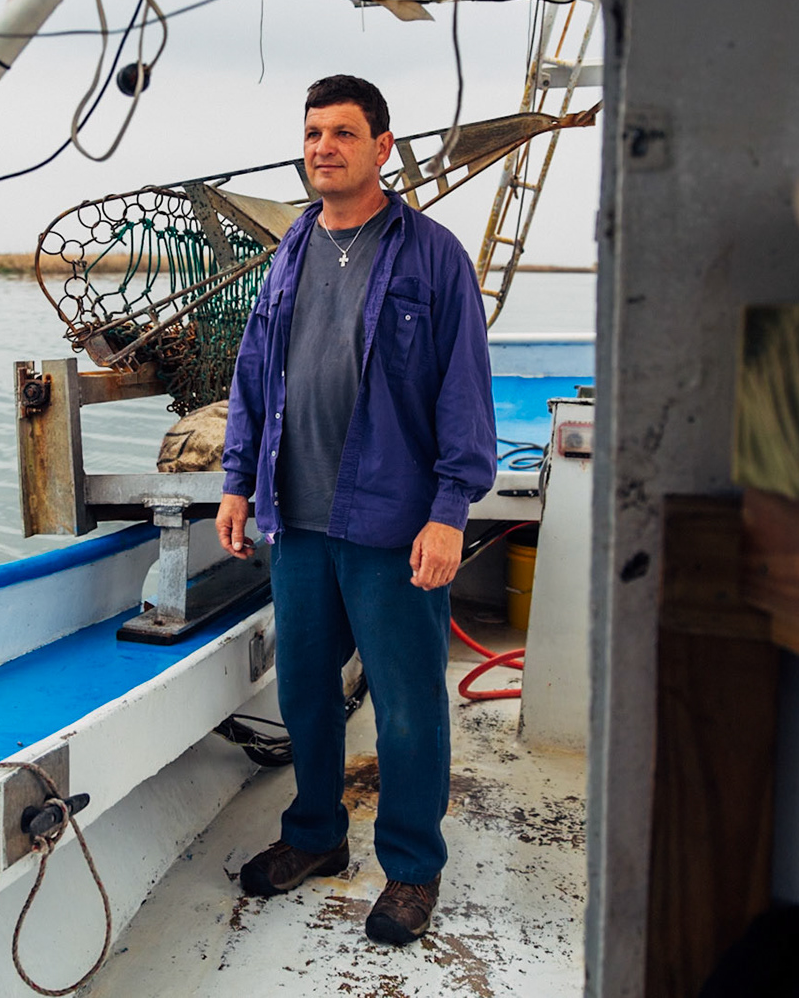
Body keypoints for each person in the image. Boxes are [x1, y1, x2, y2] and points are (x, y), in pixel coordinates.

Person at [217, 73, 496, 945]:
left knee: (410, 707)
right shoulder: (289, 254)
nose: (322, 148)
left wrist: (451, 508)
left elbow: (463, 387)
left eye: (342, 132)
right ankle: (317, 838)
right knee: (302, 692)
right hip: (296, 520)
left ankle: (412, 869)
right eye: (311, 134)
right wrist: (235, 480)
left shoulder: (431, 254)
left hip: (394, 526)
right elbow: (253, 376)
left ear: (381, 147)